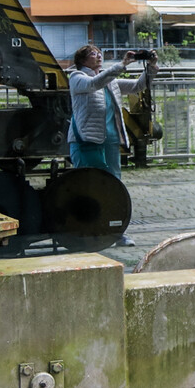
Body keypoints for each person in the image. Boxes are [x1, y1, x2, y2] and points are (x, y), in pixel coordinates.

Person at [68, 45, 158, 246]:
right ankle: (84, 231)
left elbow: (137, 86)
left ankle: (116, 232)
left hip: (110, 140)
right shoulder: (77, 78)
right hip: (85, 140)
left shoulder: (111, 82)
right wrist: (123, 64)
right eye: (93, 54)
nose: (98, 56)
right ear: (82, 60)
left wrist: (151, 67)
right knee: (87, 186)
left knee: (113, 187)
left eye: (99, 53)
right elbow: (94, 84)